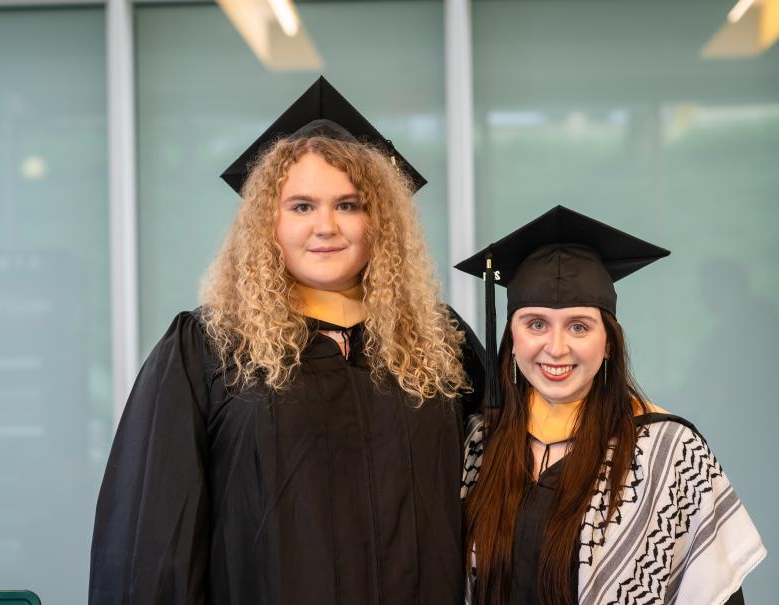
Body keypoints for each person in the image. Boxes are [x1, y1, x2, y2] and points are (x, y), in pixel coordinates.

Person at [89, 77, 484, 604]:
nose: (326, 226)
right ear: (267, 222)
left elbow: (504, 482)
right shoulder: (209, 348)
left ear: (380, 222)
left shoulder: (439, 342)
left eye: (349, 204)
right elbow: (157, 538)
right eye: (301, 206)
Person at [456, 206, 765, 605]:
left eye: (579, 326)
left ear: (608, 344)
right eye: (536, 324)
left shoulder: (666, 452)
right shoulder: (480, 445)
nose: (555, 347)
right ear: (512, 339)